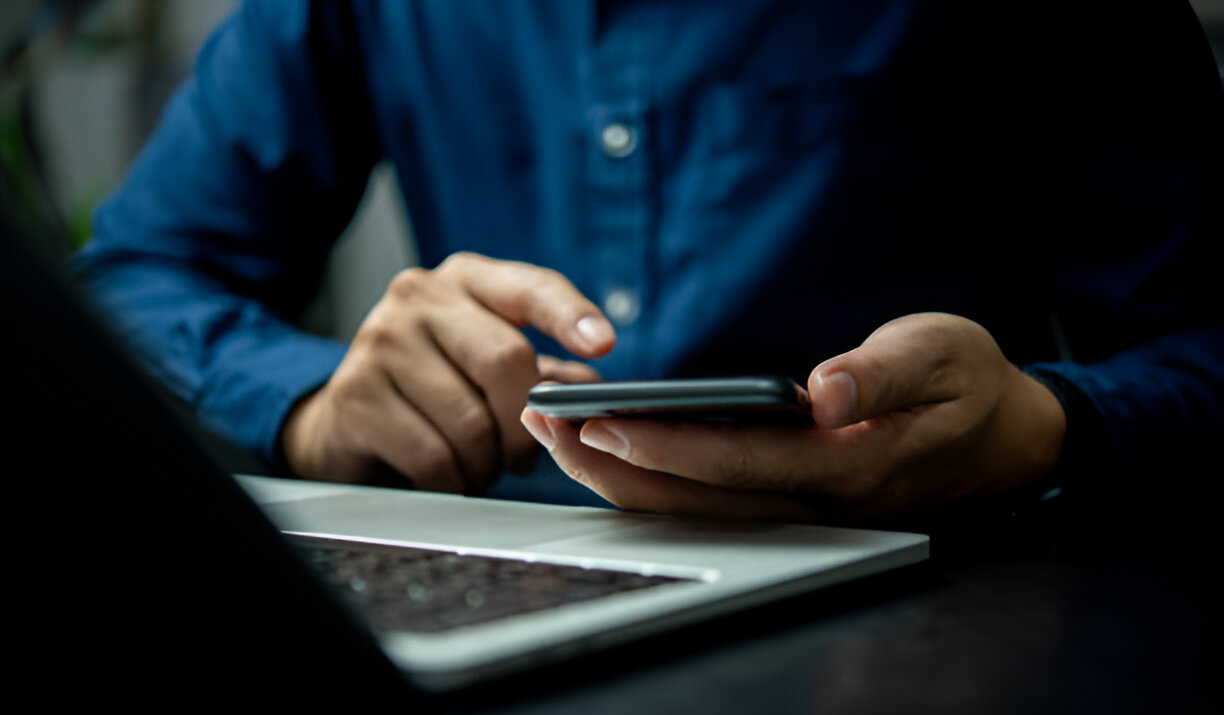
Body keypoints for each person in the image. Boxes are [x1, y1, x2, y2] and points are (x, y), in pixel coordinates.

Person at [75, 1, 1224, 527]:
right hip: (515, 573)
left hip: (948, 610)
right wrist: (317, 406)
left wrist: (1043, 429)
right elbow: (136, 269)